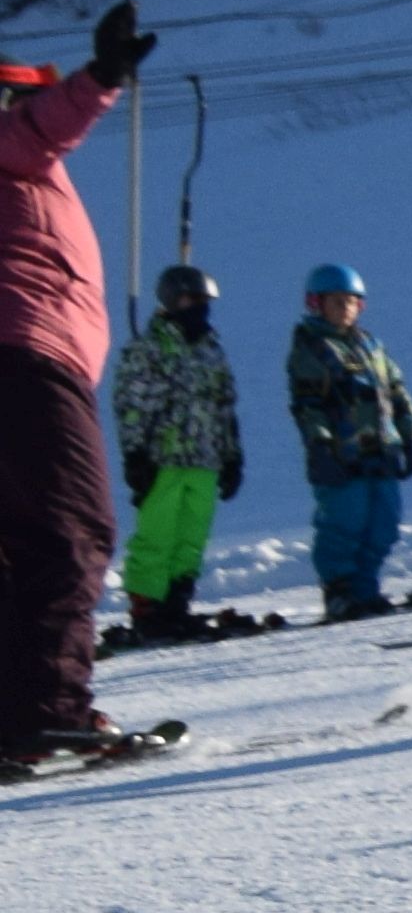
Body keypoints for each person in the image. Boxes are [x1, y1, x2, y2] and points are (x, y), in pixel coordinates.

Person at [0, 2, 147, 767]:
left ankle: (15, 711)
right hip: (26, 360)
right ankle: (52, 708)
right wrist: (104, 77)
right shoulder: (15, 146)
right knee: (69, 532)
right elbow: (40, 126)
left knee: (18, 547)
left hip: (25, 360)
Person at [108, 262, 245, 639]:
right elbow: (132, 404)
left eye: (204, 302)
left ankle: (176, 602)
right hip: (163, 459)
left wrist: (232, 455)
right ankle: (147, 607)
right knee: (157, 534)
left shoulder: (211, 350)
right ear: (171, 301)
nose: (200, 309)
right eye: (191, 300)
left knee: (192, 534)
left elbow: (224, 405)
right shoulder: (150, 348)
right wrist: (136, 455)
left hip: (205, 459)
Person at [286, 264, 412, 620]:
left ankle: (366, 588)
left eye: (350, 302)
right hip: (342, 454)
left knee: (385, 522)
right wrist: (319, 445)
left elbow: (396, 391)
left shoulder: (370, 346)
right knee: (345, 521)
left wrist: (409, 436)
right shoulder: (312, 348)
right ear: (317, 304)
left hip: (381, 449)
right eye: (335, 302)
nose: (344, 309)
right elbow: (308, 403)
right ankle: (339, 590)